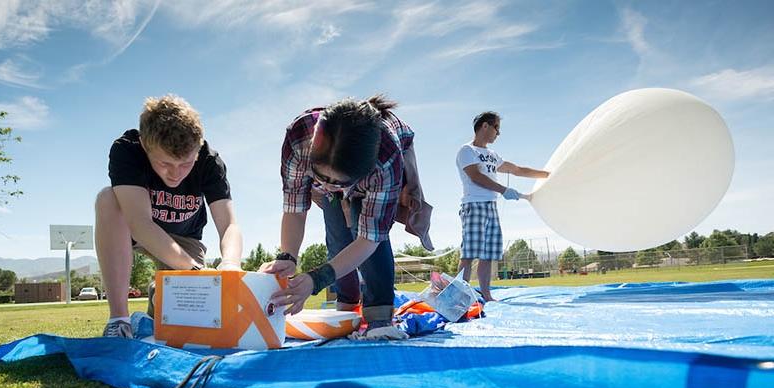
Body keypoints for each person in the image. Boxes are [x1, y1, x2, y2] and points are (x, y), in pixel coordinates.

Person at [261, 95, 432, 340]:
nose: (330, 187)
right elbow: (295, 208)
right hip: (345, 169)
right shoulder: (299, 138)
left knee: (363, 224)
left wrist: (316, 279)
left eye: (339, 182)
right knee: (337, 234)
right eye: (322, 177)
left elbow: (369, 239)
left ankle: (380, 315)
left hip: (384, 169)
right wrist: (288, 256)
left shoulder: (386, 159)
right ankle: (347, 308)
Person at [95, 95, 242, 338]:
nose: (175, 174)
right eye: (164, 163)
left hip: (185, 238)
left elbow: (229, 225)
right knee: (108, 199)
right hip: (135, 228)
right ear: (145, 145)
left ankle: (159, 292)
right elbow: (140, 223)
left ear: (198, 148)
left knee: (192, 317)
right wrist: (194, 270)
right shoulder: (127, 150)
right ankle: (119, 319)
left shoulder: (210, 162)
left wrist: (230, 265)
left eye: (185, 164)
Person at [456, 111, 548, 302]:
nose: (498, 133)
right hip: (474, 205)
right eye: (496, 127)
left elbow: (517, 170)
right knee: (470, 253)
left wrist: (547, 175)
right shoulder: (467, 151)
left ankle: (486, 295)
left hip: (491, 207)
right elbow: (476, 176)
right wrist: (504, 190)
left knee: (488, 254)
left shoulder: (492, 155)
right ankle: (459, 296)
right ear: (485, 126)